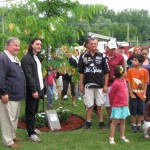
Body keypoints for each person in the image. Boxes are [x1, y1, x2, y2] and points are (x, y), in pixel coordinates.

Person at [0, 37, 26, 148]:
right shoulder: (3, 58)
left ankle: (13, 135)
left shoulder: (14, 58)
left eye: (18, 45)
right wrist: (3, 92)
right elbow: (0, 77)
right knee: (7, 119)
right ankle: (8, 141)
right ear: (8, 46)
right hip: (8, 95)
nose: (17, 48)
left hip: (16, 95)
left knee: (14, 118)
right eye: (15, 45)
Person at [78, 37, 109, 129]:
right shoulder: (83, 56)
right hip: (88, 84)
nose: (93, 45)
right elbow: (81, 72)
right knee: (89, 104)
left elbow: (106, 72)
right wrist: (81, 85)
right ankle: (88, 122)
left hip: (99, 84)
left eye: (95, 43)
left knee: (100, 104)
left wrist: (106, 85)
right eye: (91, 43)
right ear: (88, 45)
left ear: (97, 44)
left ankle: (101, 122)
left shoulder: (103, 56)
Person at [21, 38, 44, 142]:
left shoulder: (36, 57)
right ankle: (31, 133)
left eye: (40, 44)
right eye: (37, 44)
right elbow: (29, 76)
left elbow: (38, 74)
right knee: (30, 111)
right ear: (31, 44)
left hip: (38, 89)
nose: (39, 46)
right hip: (32, 90)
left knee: (34, 110)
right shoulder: (27, 58)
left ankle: (32, 128)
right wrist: (34, 90)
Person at [126, 54, 149, 133]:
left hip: (141, 94)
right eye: (133, 60)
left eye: (135, 60)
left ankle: (139, 124)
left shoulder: (145, 71)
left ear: (140, 62)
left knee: (141, 110)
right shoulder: (130, 70)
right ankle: (134, 125)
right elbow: (128, 82)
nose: (133, 61)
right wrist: (131, 93)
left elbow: (146, 83)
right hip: (133, 94)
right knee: (133, 110)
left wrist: (145, 94)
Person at [109, 65, 130, 144]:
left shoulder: (124, 81)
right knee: (114, 122)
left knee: (123, 121)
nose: (126, 72)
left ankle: (122, 136)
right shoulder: (116, 83)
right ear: (122, 73)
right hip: (117, 106)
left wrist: (127, 102)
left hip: (124, 105)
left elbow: (126, 93)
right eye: (125, 71)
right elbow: (111, 94)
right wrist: (112, 103)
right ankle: (111, 138)